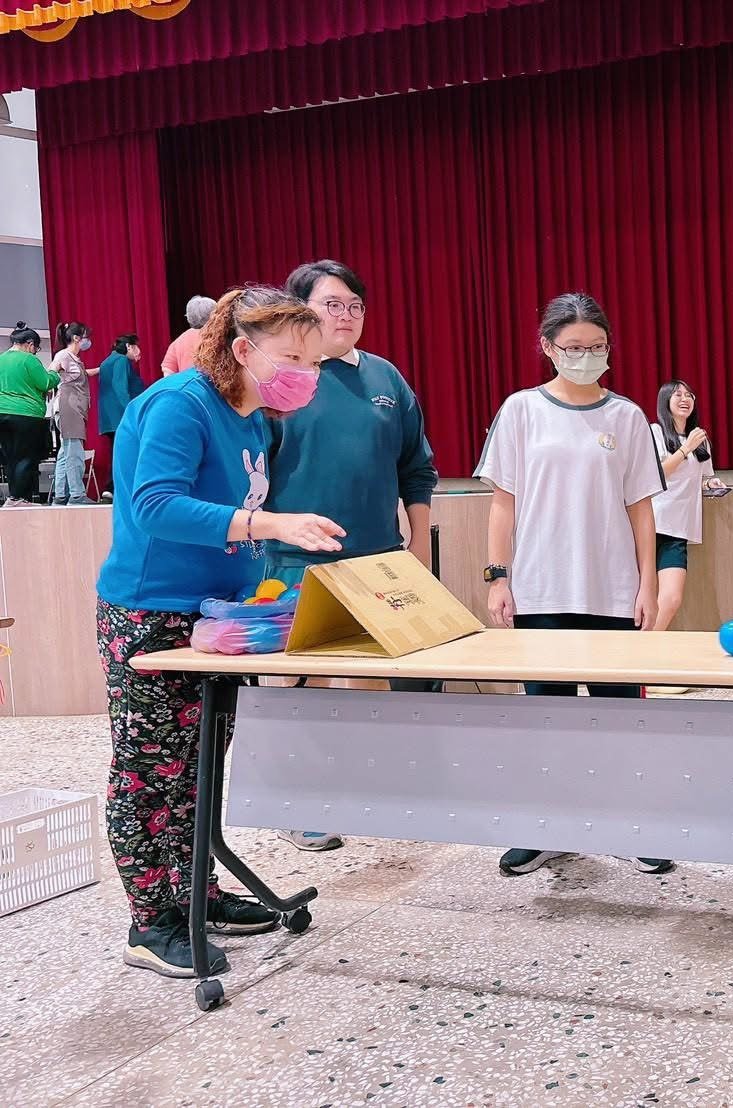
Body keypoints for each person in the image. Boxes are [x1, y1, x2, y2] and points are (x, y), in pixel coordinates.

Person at [96, 286, 345, 978]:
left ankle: (196, 895)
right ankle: (152, 922)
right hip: (153, 612)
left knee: (199, 765)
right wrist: (268, 524)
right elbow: (155, 505)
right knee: (152, 773)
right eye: (294, 357)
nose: (307, 373)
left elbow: (233, 514)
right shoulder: (180, 404)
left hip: (218, 617)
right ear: (243, 349)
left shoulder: (251, 418)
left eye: (314, 362)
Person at [475, 292, 667, 878]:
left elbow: (641, 509)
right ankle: (545, 828)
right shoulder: (521, 411)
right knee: (547, 720)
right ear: (548, 348)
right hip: (541, 592)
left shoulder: (627, 417)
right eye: (574, 348)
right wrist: (498, 577)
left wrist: (648, 585)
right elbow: (502, 505)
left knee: (619, 719)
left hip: (612, 591)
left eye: (596, 347)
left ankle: (629, 824)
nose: (586, 357)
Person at [266, 258, 438, 853]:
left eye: (355, 305)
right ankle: (297, 805)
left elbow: (417, 468)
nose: (346, 315)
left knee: (389, 682)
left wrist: (418, 544)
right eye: (332, 305)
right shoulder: (280, 381)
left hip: (379, 560)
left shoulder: (385, 378)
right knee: (299, 684)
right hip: (293, 560)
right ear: (300, 312)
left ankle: (385, 792)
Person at [650, 380, 726, 632]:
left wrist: (710, 484)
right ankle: (638, 649)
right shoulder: (655, 432)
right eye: (678, 395)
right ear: (665, 401)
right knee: (639, 597)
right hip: (651, 524)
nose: (685, 399)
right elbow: (657, 474)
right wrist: (686, 448)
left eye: (689, 395)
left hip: (679, 528)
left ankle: (644, 646)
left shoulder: (699, 439)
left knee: (671, 598)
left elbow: (701, 479)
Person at [0, 322, 59, 507]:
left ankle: (13, 497)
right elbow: (45, 382)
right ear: (30, 343)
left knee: (11, 459)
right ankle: (20, 498)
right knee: (27, 457)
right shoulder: (28, 360)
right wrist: (55, 373)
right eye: (36, 349)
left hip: (2, 413)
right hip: (26, 415)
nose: (35, 352)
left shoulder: (1, 359)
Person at [51, 321, 99, 506]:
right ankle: (77, 495)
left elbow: (82, 374)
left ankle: (60, 495)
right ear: (77, 338)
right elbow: (51, 371)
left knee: (66, 452)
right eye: (86, 336)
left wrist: (102, 368)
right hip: (68, 407)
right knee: (74, 452)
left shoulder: (74, 358)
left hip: (74, 408)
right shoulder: (63, 355)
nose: (88, 341)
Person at [98, 333, 147, 439]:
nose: (138, 350)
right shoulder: (121, 359)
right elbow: (120, 388)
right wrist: (131, 411)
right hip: (121, 417)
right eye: (136, 346)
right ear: (128, 346)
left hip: (111, 419)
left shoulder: (107, 362)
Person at [161, 296, 216, 376]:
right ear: (215, 314)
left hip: (190, 383)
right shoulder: (221, 337)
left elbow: (168, 374)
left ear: (188, 317)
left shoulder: (178, 342)